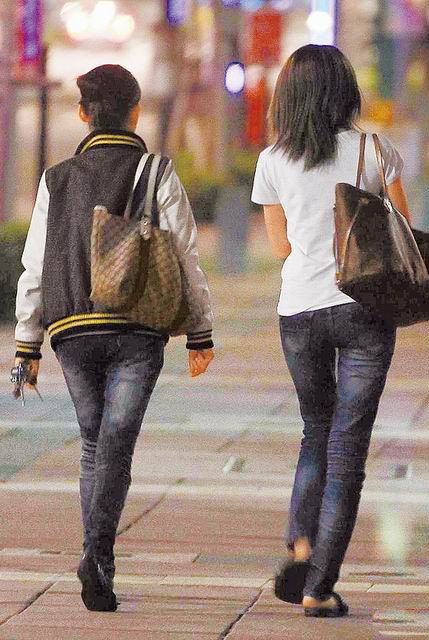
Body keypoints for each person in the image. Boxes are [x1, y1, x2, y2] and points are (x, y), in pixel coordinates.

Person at [13, 64, 214, 612]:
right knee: (116, 444)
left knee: (94, 443)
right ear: (136, 111)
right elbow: (185, 252)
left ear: (83, 114)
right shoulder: (156, 171)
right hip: (138, 326)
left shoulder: (56, 178)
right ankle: (97, 557)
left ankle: (95, 559)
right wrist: (200, 330)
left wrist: (27, 343)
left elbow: (35, 264)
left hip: (72, 329)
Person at [251, 45, 411, 617]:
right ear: (346, 91)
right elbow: (401, 231)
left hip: (299, 311)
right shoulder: (373, 151)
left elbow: (281, 247)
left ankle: (301, 543)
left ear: (289, 97)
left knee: (314, 430)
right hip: (364, 307)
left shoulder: (272, 160)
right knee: (348, 449)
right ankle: (319, 587)